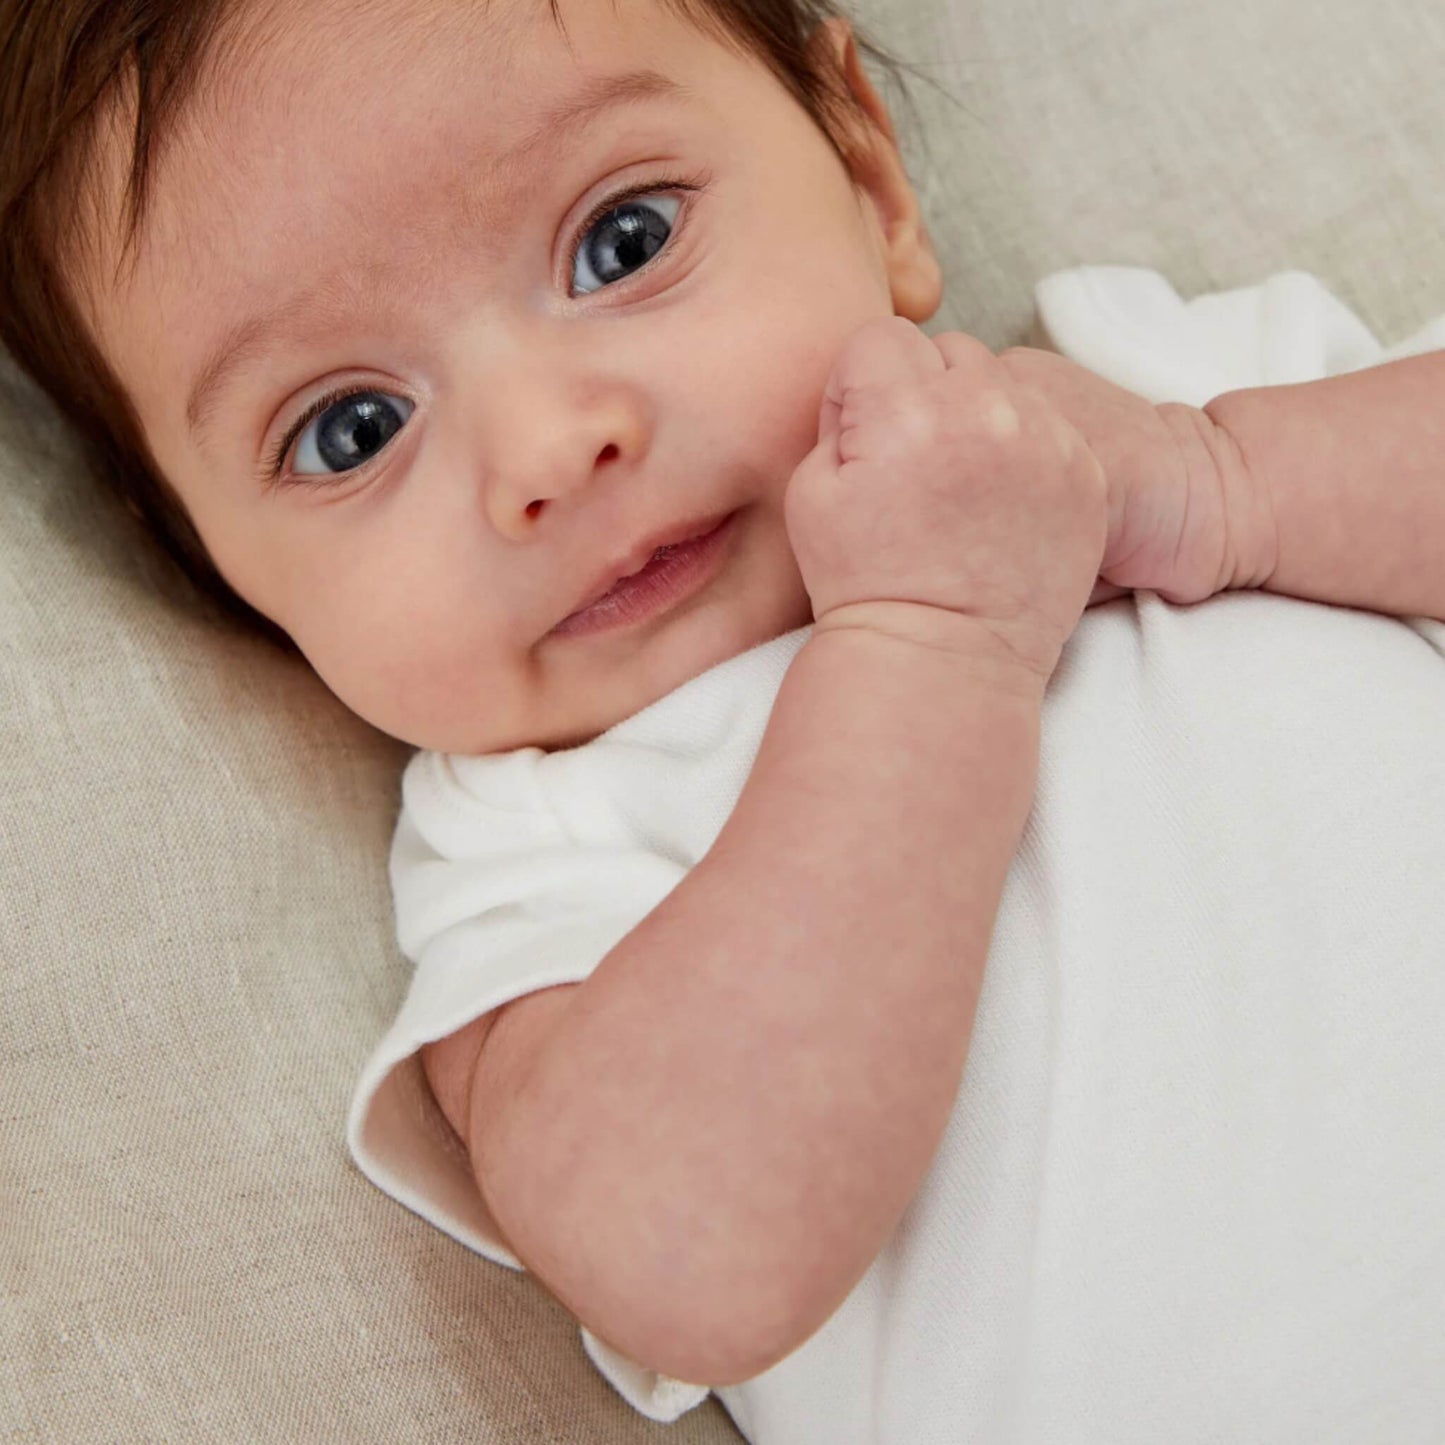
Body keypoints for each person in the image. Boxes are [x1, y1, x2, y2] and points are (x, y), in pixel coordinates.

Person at [2, 0, 1443, 1439]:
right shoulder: (542, 853)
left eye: (623, 242)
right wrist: (929, 648)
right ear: (224, 573)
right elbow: (689, 1262)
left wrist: (1222, 485)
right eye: (351, 430)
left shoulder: (1143, 390)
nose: (549, 450)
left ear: (868, 177)